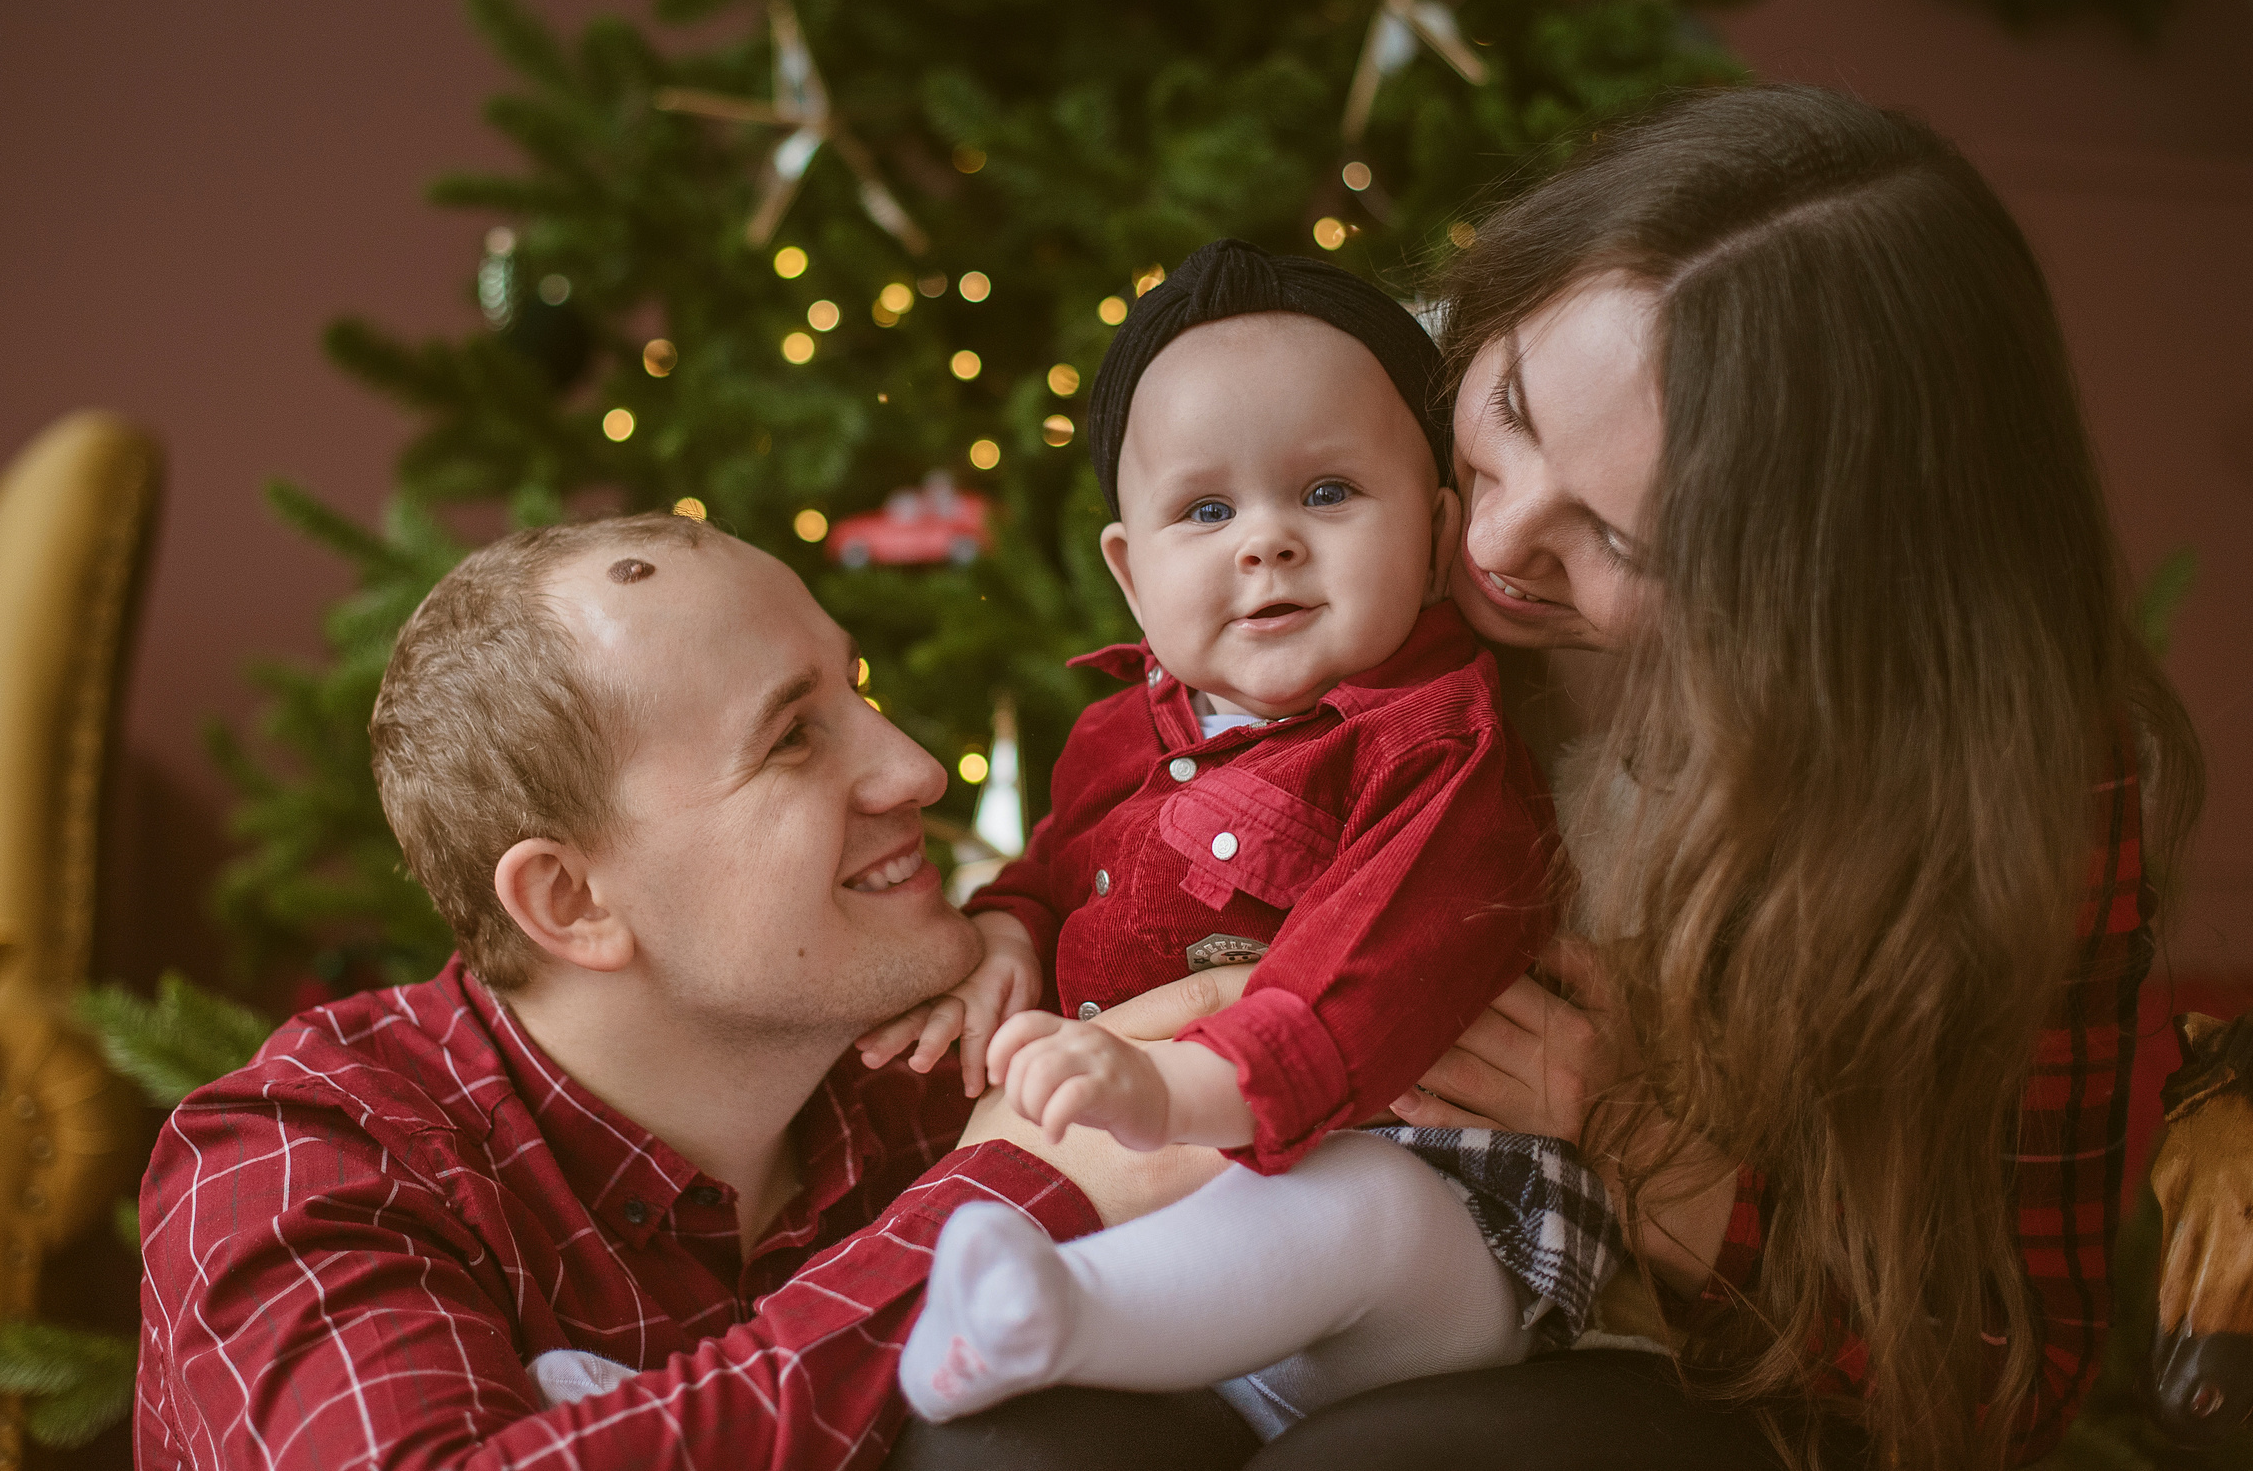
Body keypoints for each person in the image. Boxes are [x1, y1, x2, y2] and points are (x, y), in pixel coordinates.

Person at [902, 86, 2200, 1471]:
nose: (1498, 535)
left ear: (1820, 603)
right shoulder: (1344, 441)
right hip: (1199, 1230)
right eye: (1507, 405)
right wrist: (1011, 927)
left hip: (1638, 1346)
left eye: (1624, 542)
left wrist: (1646, 1148)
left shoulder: (2014, 782)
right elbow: (1124, 809)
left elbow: (2006, 1378)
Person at [130, 512, 1227, 1470]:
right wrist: (997, 1201)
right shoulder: (304, 1159)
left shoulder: (936, 1059)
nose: (916, 770)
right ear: (571, 900)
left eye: (859, 692)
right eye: (793, 736)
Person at [874, 240, 1611, 1438]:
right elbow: (1053, 860)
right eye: (1205, 510)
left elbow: (1374, 968)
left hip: (1440, 1238)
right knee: (956, 1171)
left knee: (1358, 1200)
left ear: (1434, 535)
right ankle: (744, 1374)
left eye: (1326, 492)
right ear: (1130, 570)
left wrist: (1166, 1087)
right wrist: (1008, 926)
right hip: (1177, 1215)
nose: (1262, 541)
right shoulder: (1116, 733)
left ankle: (1052, 1314)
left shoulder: (1438, 744)